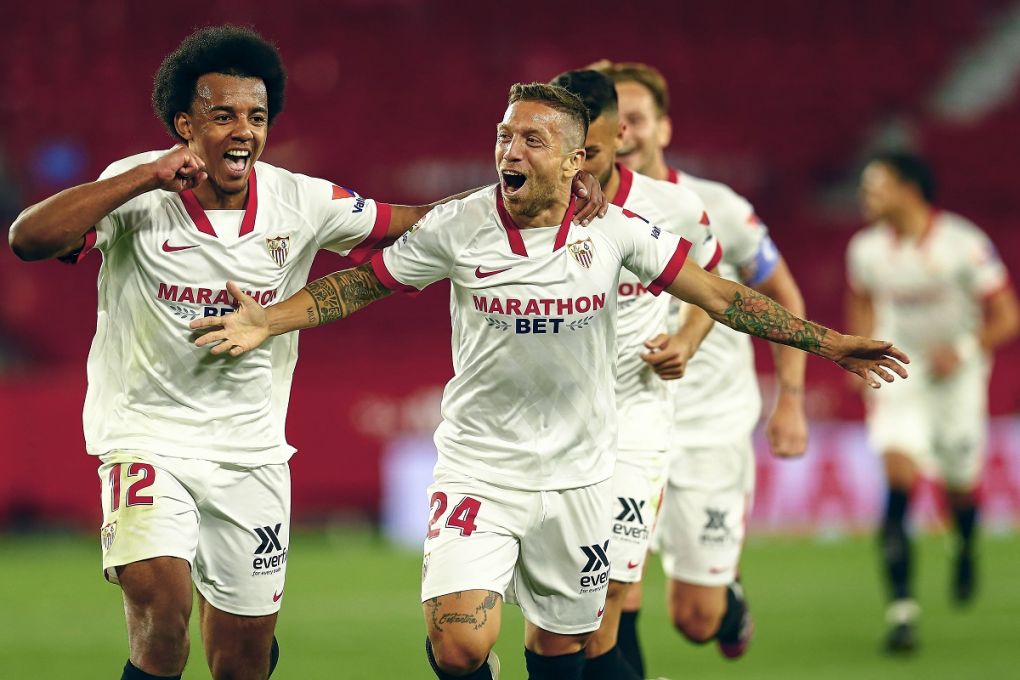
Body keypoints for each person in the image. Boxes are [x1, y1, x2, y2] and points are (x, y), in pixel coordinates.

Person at [191, 82, 908, 680]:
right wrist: (269, 320)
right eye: (505, 135)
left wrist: (831, 344)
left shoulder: (620, 232)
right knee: (459, 645)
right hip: (481, 471)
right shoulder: (459, 225)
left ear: (575, 161)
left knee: (562, 646)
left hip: (581, 475)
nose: (510, 150)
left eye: (532, 140)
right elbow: (360, 285)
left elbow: (720, 295)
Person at [5, 26, 606, 680]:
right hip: (146, 436)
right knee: (161, 608)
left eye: (256, 117)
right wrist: (145, 176)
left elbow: (412, 221)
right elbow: (29, 239)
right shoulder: (135, 189)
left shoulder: (301, 200)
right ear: (184, 123)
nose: (243, 130)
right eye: (223, 115)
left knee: (242, 660)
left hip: (252, 453)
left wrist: (530, 198)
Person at [590, 59, 811, 670]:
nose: (626, 134)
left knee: (696, 621)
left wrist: (789, 399)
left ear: (663, 128)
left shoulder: (716, 208)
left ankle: (726, 593)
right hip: (624, 420)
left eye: (638, 120)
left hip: (707, 424)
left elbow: (784, 299)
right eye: (616, 121)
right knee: (612, 581)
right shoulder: (581, 212)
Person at [548, 68, 722, 680]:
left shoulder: (671, 208)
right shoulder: (533, 208)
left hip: (634, 417)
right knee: (561, 614)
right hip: (552, 427)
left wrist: (686, 339)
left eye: (588, 152)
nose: (576, 168)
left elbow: (714, 289)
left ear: (619, 134)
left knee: (606, 603)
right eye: (563, 152)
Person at [846, 151, 1018, 653]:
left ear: (908, 189)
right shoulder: (866, 249)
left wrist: (963, 349)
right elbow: (861, 296)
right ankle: (902, 614)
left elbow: (1007, 315)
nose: (866, 195)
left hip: (958, 380)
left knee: (960, 487)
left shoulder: (963, 245)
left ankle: (965, 542)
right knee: (898, 484)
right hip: (900, 370)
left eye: (875, 185)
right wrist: (861, 345)